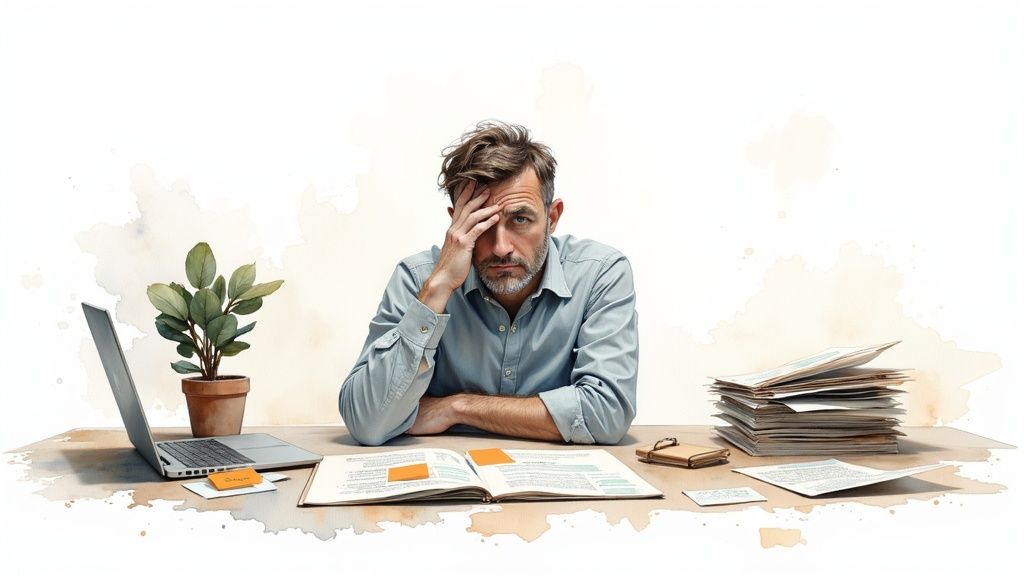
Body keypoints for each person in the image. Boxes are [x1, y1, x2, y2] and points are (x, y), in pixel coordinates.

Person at [339, 120, 638, 446]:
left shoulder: (600, 274)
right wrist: (436, 291)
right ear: (456, 221)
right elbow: (367, 423)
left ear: (552, 218)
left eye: (520, 220)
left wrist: (458, 407)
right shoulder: (418, 278)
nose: (500, 247)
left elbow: (607, 414)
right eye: (481, 223)